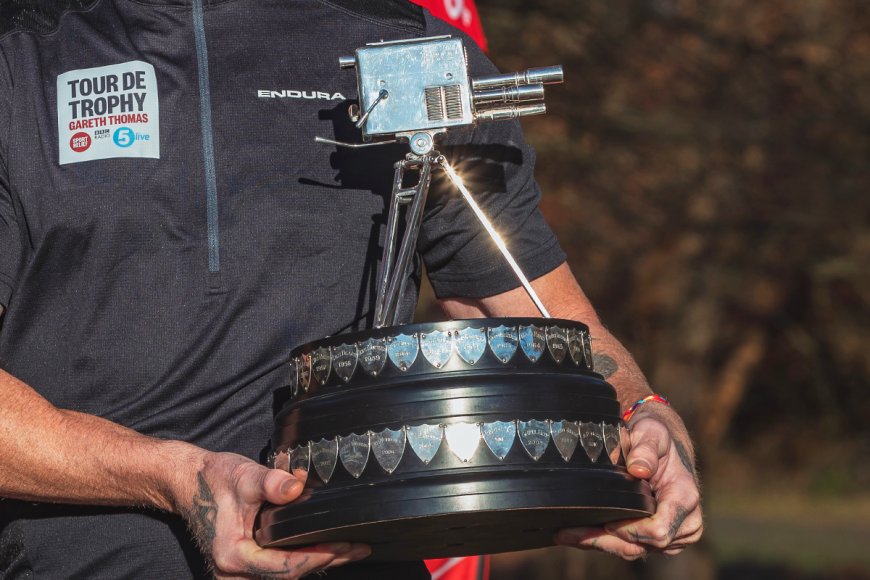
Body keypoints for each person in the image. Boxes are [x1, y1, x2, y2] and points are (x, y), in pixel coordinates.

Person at [0, 0, 702, 577]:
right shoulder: (21, 55)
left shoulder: (414, 50)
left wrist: (648, 414)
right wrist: (175, 477)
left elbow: (534, 313)